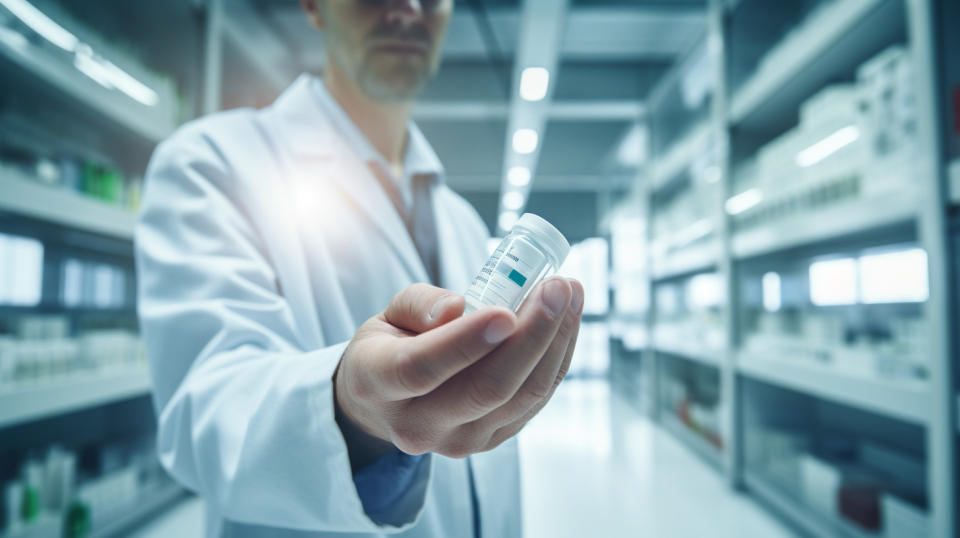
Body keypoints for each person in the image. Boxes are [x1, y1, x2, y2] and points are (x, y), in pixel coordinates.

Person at [134, 0, 584, 536]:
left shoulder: (460, 220)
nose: (408, 7)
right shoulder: (212, 165)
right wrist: (352, 410)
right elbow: (206, 416)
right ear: (312, 6)